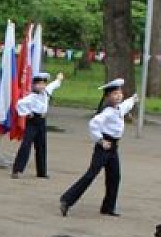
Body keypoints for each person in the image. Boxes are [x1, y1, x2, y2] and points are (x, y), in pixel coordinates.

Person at [59, 79, 137, 217]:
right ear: (107, 97)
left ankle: (108, 207)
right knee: (91, 174)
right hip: (104, 147)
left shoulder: (119, 108)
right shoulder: (107, 112)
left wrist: (133, 99)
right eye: (114, 94)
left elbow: (127, 105)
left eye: (119, 93)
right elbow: (94, 124)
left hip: (114, 148)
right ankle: (67, 199)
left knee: (114, 177)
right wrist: (101, 141)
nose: (118, 96)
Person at [11, 72, 64, 179]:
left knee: (41, 146)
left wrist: (59, 79)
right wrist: (27, 112)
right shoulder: (31, 97)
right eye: (39, 84)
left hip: (42, 121)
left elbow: (54, 85)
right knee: (26, 145)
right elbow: (19, 104)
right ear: (34, 85)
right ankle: (17, 169)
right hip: (33, 121)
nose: (41, 86)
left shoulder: (46, 92)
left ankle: (41, 171)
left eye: (43, 84)